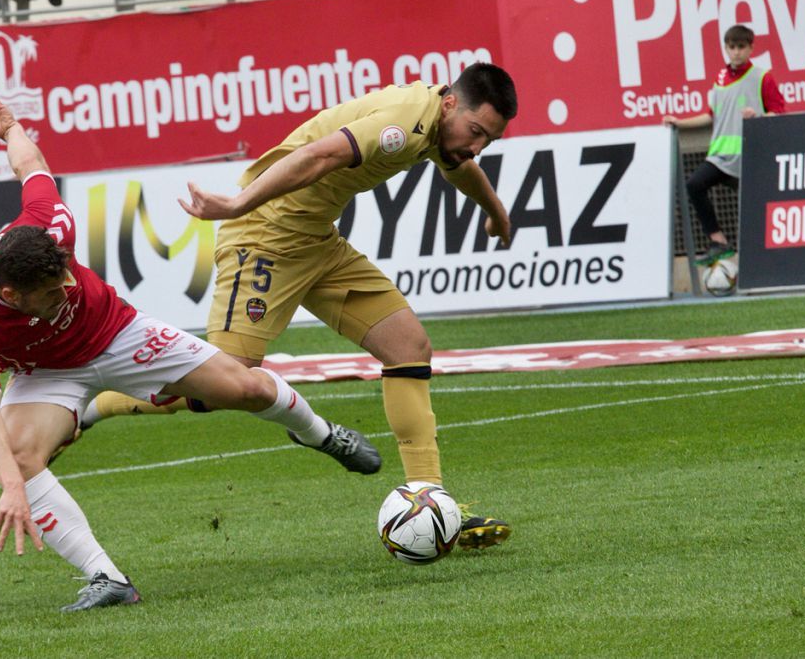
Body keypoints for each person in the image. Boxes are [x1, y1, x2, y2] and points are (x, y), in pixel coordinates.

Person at [0, 85, 381, 612]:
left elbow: (30, 163)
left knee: (244, 387)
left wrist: (10, 127)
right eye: (50, 292)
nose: (65, 289)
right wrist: (12, 485)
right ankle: (107, 578)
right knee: (17, 456)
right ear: (13, 296)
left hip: (117, 333)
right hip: (46, 374)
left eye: (65, 277)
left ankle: (321, 435)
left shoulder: (50, 226)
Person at [83, 62, 518, 550]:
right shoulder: (400, 122)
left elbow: (461, 167)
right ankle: (97, 403)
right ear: (450, 103)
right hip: (264, 238)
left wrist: (496, 213)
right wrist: (237, 205)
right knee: (229, 381)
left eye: (488, 141)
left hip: (317, 243)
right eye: (476, 132)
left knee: (408, 346)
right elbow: (318, 156)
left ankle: (432, 499)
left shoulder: (440, 130)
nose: (476, 146)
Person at [663, 24, 787, 264]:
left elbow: (779, 112)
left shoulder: (762, 77)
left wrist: (758, 117)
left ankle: (768, 260)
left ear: (751, 48)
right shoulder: (720, 79)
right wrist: (679, 122)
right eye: (732, 47)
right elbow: (711, 115)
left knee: (756, 213)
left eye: (741, 47)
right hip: (720, 157)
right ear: (725, 48)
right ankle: (718, 240)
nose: (736, 52)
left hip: (749, 159)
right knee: (694, 185)